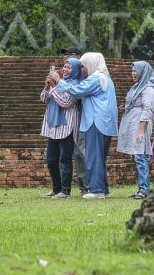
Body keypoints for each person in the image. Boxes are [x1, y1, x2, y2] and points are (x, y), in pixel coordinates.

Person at [50, 52, 117, 200]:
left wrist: (59, 81)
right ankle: (103, 189)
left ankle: (97, 189)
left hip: (95, 121)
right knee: (100, 158)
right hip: (106, 123)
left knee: (93, 156)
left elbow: (76, 91)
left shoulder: (95, 79)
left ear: (91, 64)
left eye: (84, 66)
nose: (82, 70)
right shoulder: (106, 78)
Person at [40, 57, 82, 199]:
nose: (65, 69)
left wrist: (55, 85)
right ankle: (56, 189)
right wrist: (47, 87)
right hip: (53, 126)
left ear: (75, 70)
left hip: (67, 126)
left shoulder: (76, 85)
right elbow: (43, 99)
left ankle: (65, 191)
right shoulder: (57, 84)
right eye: (64, 67)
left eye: (69, 68)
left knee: (65, 159)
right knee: (51, 159)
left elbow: (65, 102)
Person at [118, 61, 154, 200]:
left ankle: (144, 190)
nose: (133, 73)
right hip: (133, 124)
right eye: (133, 71)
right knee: (137, 157)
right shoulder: (137, 87)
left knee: (141, 157)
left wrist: (141, 130)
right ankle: (141, 188)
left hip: (140, 126)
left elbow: (147, 109)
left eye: (136, 71)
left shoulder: (148, 89)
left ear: (143, 72)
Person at [60, 45, 88, 196]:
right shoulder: (63, 77)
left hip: (83, 118)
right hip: (71, 120)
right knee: (67, 155)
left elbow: (70, 99)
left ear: (79, 57)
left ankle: (86, 187)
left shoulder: (84, 76)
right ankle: (62, 188)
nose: (66, 57)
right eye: (65, 55)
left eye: (70, 55)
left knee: (80, 153)